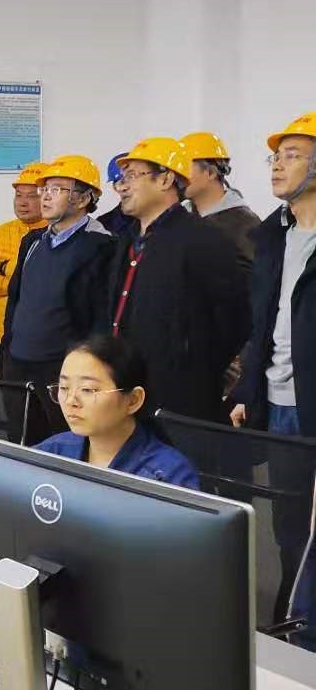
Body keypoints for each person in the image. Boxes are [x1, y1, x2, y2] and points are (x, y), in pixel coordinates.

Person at [0, 334, 199, 544]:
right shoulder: (57, 449)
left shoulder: (167, 476)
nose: (71, 401)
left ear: (133, 400)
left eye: (88, 390)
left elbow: (177, 563)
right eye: (63, 388)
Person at [233, 112, 316, 634]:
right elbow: (260, 321)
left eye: (292, 155)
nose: (277, 166)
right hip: (281, 399)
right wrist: (249, 387)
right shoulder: (272, 235)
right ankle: (296, 619)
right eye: (276, 156)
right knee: (289, 526)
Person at [108, 137, 250, 423]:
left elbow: (235, 320)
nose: (122, 186)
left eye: (132, 176)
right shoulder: (127, 242)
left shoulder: (203, 240)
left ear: (165, 180)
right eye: (122, 178)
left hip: (179, 398)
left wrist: (192, 368)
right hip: (127, 386)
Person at [0, 155, 113, 443]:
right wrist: (9, 344)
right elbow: (16, 297)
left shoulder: (101, 245)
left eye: (57, 189)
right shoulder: (33, 241)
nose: (46, 196)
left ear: (83, 198)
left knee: (67, 443)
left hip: (63, 367)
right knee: (22, 440)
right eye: (45, 189)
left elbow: (100, 313)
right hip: (18, 361)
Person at [0, 162, 47, 376]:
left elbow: (42, 279)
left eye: (31, 196)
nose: (23, 202)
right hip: (5, 335)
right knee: (9, 393)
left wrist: (4, 268)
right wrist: (14, 285)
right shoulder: (2, 232)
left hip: (43, 339)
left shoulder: (56, 233)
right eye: (18, 195)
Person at [181, 131, 262, 270]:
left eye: (185, 167)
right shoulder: (180, 217)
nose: (177, 175)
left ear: (211, 173)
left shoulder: (244, 225)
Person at [97, 153, 134, 237]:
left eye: (131, 178)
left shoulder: (161, 218)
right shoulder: (103, 225)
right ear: (115, 188)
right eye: (120, 182)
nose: (124, 187)